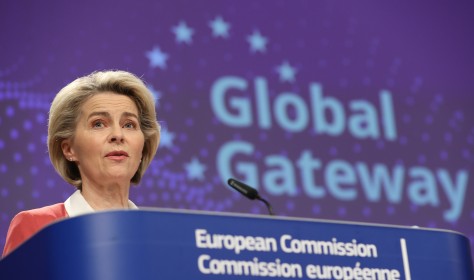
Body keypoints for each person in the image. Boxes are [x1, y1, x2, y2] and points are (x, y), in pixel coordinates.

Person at [2, 70, 160, 257]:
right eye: (99, 124)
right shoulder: (38, 228)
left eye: (129, 125)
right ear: (69, 149)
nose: (118, 135)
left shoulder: (163, 238)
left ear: (142, 147)